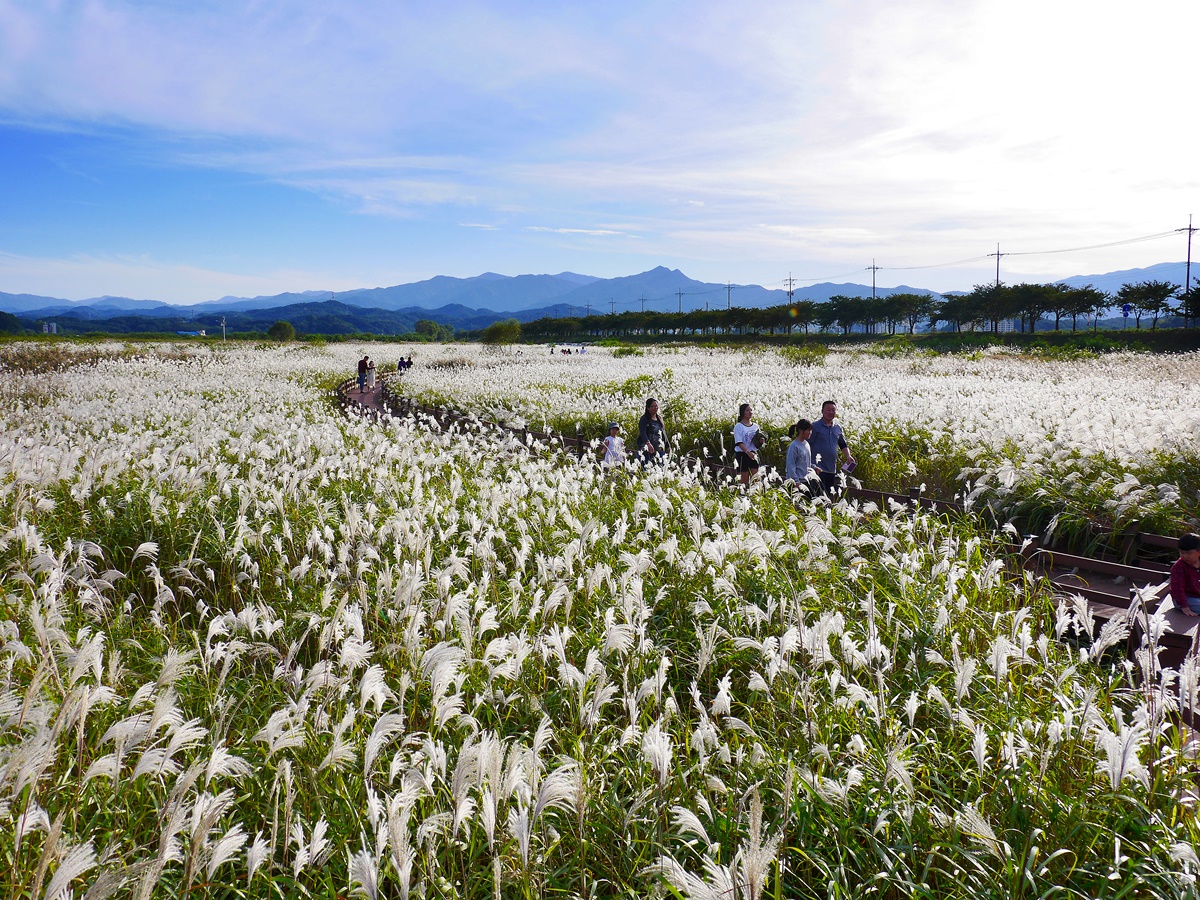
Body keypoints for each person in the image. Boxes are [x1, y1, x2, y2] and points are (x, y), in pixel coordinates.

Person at [809, 400, 854, 496]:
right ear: (822, 411)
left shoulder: (837, 428)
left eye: (833, 410)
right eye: (828, 410)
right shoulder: (815, 426)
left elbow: (842, 444)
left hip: (831, 469)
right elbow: (807, 445)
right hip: (817, 469)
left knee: (828, 496)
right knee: (818, 496)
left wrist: (848, 456)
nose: (831, 412)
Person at [1170, 533, 1200, 617]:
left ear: (1199, 552)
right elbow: (1177, 589)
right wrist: (1185, 607)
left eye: (1189, 553)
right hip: (1184, 599)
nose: (1185, 556)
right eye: (1182, 553)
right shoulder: (1179, 567)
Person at [733, 403, 761, 487]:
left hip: (753, 454)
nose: (750, 412)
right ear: (742, 413)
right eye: (747, 410)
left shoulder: (755, 426)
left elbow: (757, 443)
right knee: (744, 481)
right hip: (742, 454)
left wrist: (760, 441)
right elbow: (739, 442)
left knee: (755, 479)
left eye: (751, 410)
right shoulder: (738, 426)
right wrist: (748, 452)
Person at [785, 418, 815, 494]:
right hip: (796, 483)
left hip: (806, 481)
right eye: (808, 430)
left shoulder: (806, 444)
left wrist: (814, 467)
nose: (810, 432)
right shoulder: (794, 446)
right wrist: (796, 482)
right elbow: (790, 465)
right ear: (800, 430)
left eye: (810, 430)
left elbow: (806, 462)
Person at [637, 398, 670, 466]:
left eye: (656, 406)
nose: (656, 408)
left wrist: (667, 446)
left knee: (661, 467)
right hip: (646, 450)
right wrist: (648, 444)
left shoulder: (659, 419)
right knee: (647, 468)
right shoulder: (644, 419)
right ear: (648, 408)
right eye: (653, 406)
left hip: (659, 449)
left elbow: (663, 434)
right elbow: (643, 433)